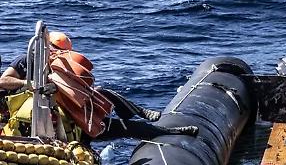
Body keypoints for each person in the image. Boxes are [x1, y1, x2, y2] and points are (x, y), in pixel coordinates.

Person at [0, 30, 197, 140]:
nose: (60, 55)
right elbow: (3, 81)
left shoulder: (65, 68)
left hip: (71, 121)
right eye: (57, 51)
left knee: (116, 111)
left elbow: (77, 96)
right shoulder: (27, 60)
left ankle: (164, 129)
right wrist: (30, 84)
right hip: (31, 120)